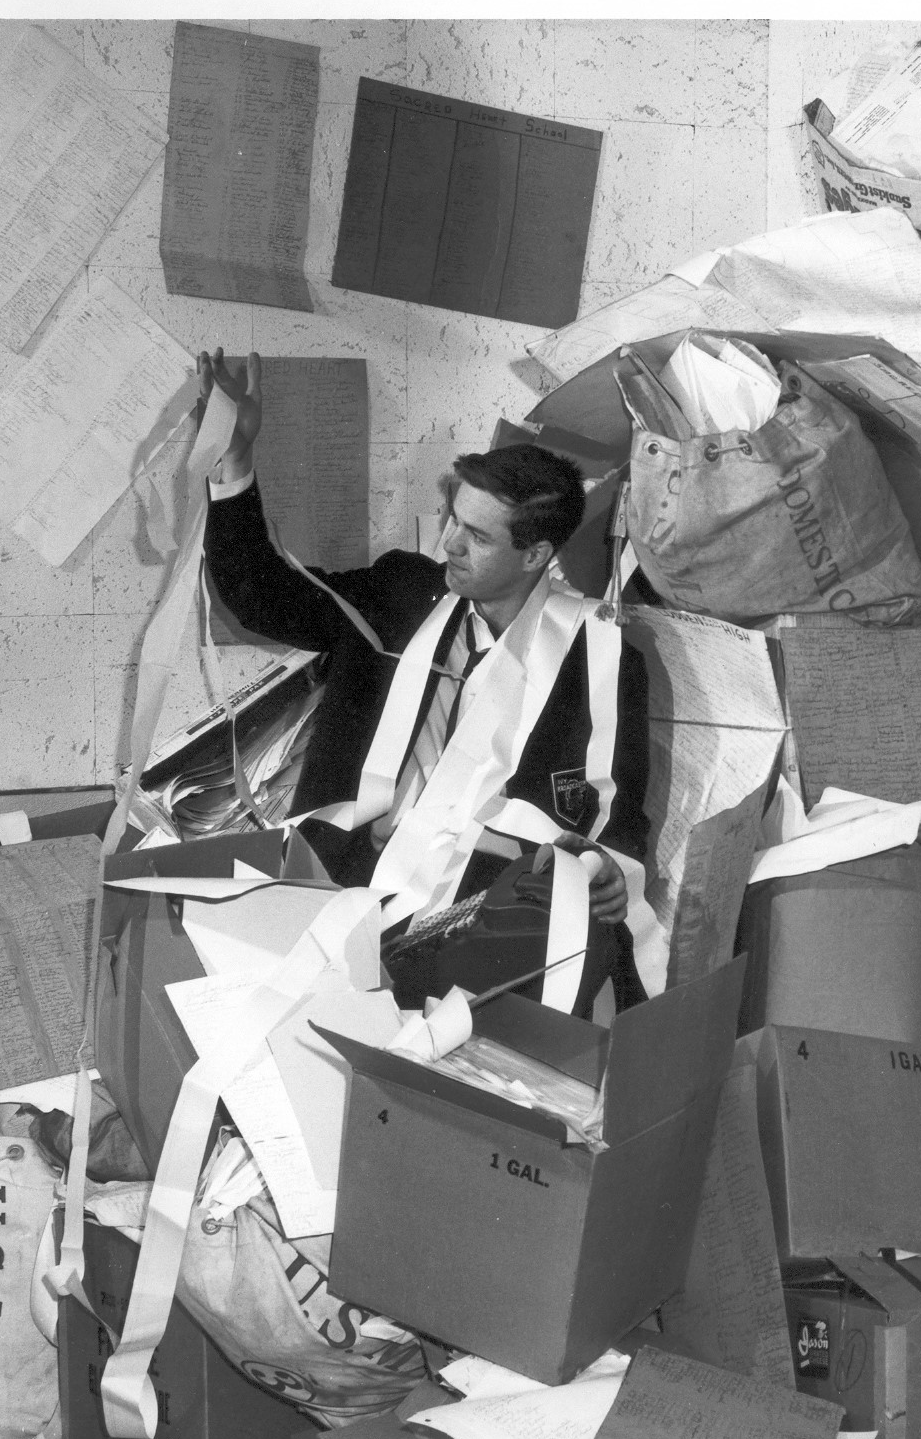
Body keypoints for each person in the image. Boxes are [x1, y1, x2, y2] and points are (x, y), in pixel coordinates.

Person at [196, 349, 651, 1010]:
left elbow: (619, 808)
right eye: (451, 519)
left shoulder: (597, 655)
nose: (449, 545)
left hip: (476, 913)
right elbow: (261, 597)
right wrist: (233, 461)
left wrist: (609, 863)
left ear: (534, 554)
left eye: (476, 536)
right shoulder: (399, 595)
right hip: (342, 876)